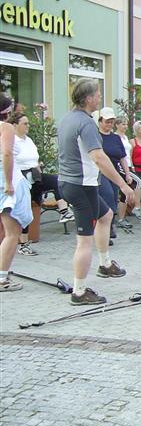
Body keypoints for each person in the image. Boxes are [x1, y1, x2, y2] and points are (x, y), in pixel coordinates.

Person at [56, 79, 135, 304]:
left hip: (72, 183)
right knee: (84, 241)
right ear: (89, 98)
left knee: (106, 215)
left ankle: (105, 264)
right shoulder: (86, 123)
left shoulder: (67, 119)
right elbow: (98, 157)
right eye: (98, 95)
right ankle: (79, 292)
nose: (100, 98)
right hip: (81, 185)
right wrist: (122, 184)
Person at [11, 112, 73, 256]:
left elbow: (33, 159)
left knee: (57, 180)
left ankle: (64, 211)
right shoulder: (12, 141)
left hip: (35, 174)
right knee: (26, 209)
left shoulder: (28, 140)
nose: (28, 126)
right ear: (15, 125)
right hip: (21, 178)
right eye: (25, 123)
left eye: (28, 123)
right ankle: (23, 244)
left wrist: (38, 167)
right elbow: (10, 162)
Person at [0, 96, 32, 291]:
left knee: (4, 231)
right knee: (13, 232)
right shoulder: (6, 128)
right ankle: (2, 277)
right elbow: (7, 153)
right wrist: (9, 181)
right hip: (7, 182)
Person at [96, 108, 138, 241]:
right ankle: (104, 230)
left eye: (111, 122)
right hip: (100, 172)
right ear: (100, 121)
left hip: (114, 171)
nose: (109, 124)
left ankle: (110, 225)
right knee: (107, 196)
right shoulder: (96, 137)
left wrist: (127, 174)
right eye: (106, 122)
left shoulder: (115, 138)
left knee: (114, 198)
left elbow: (122, 158)